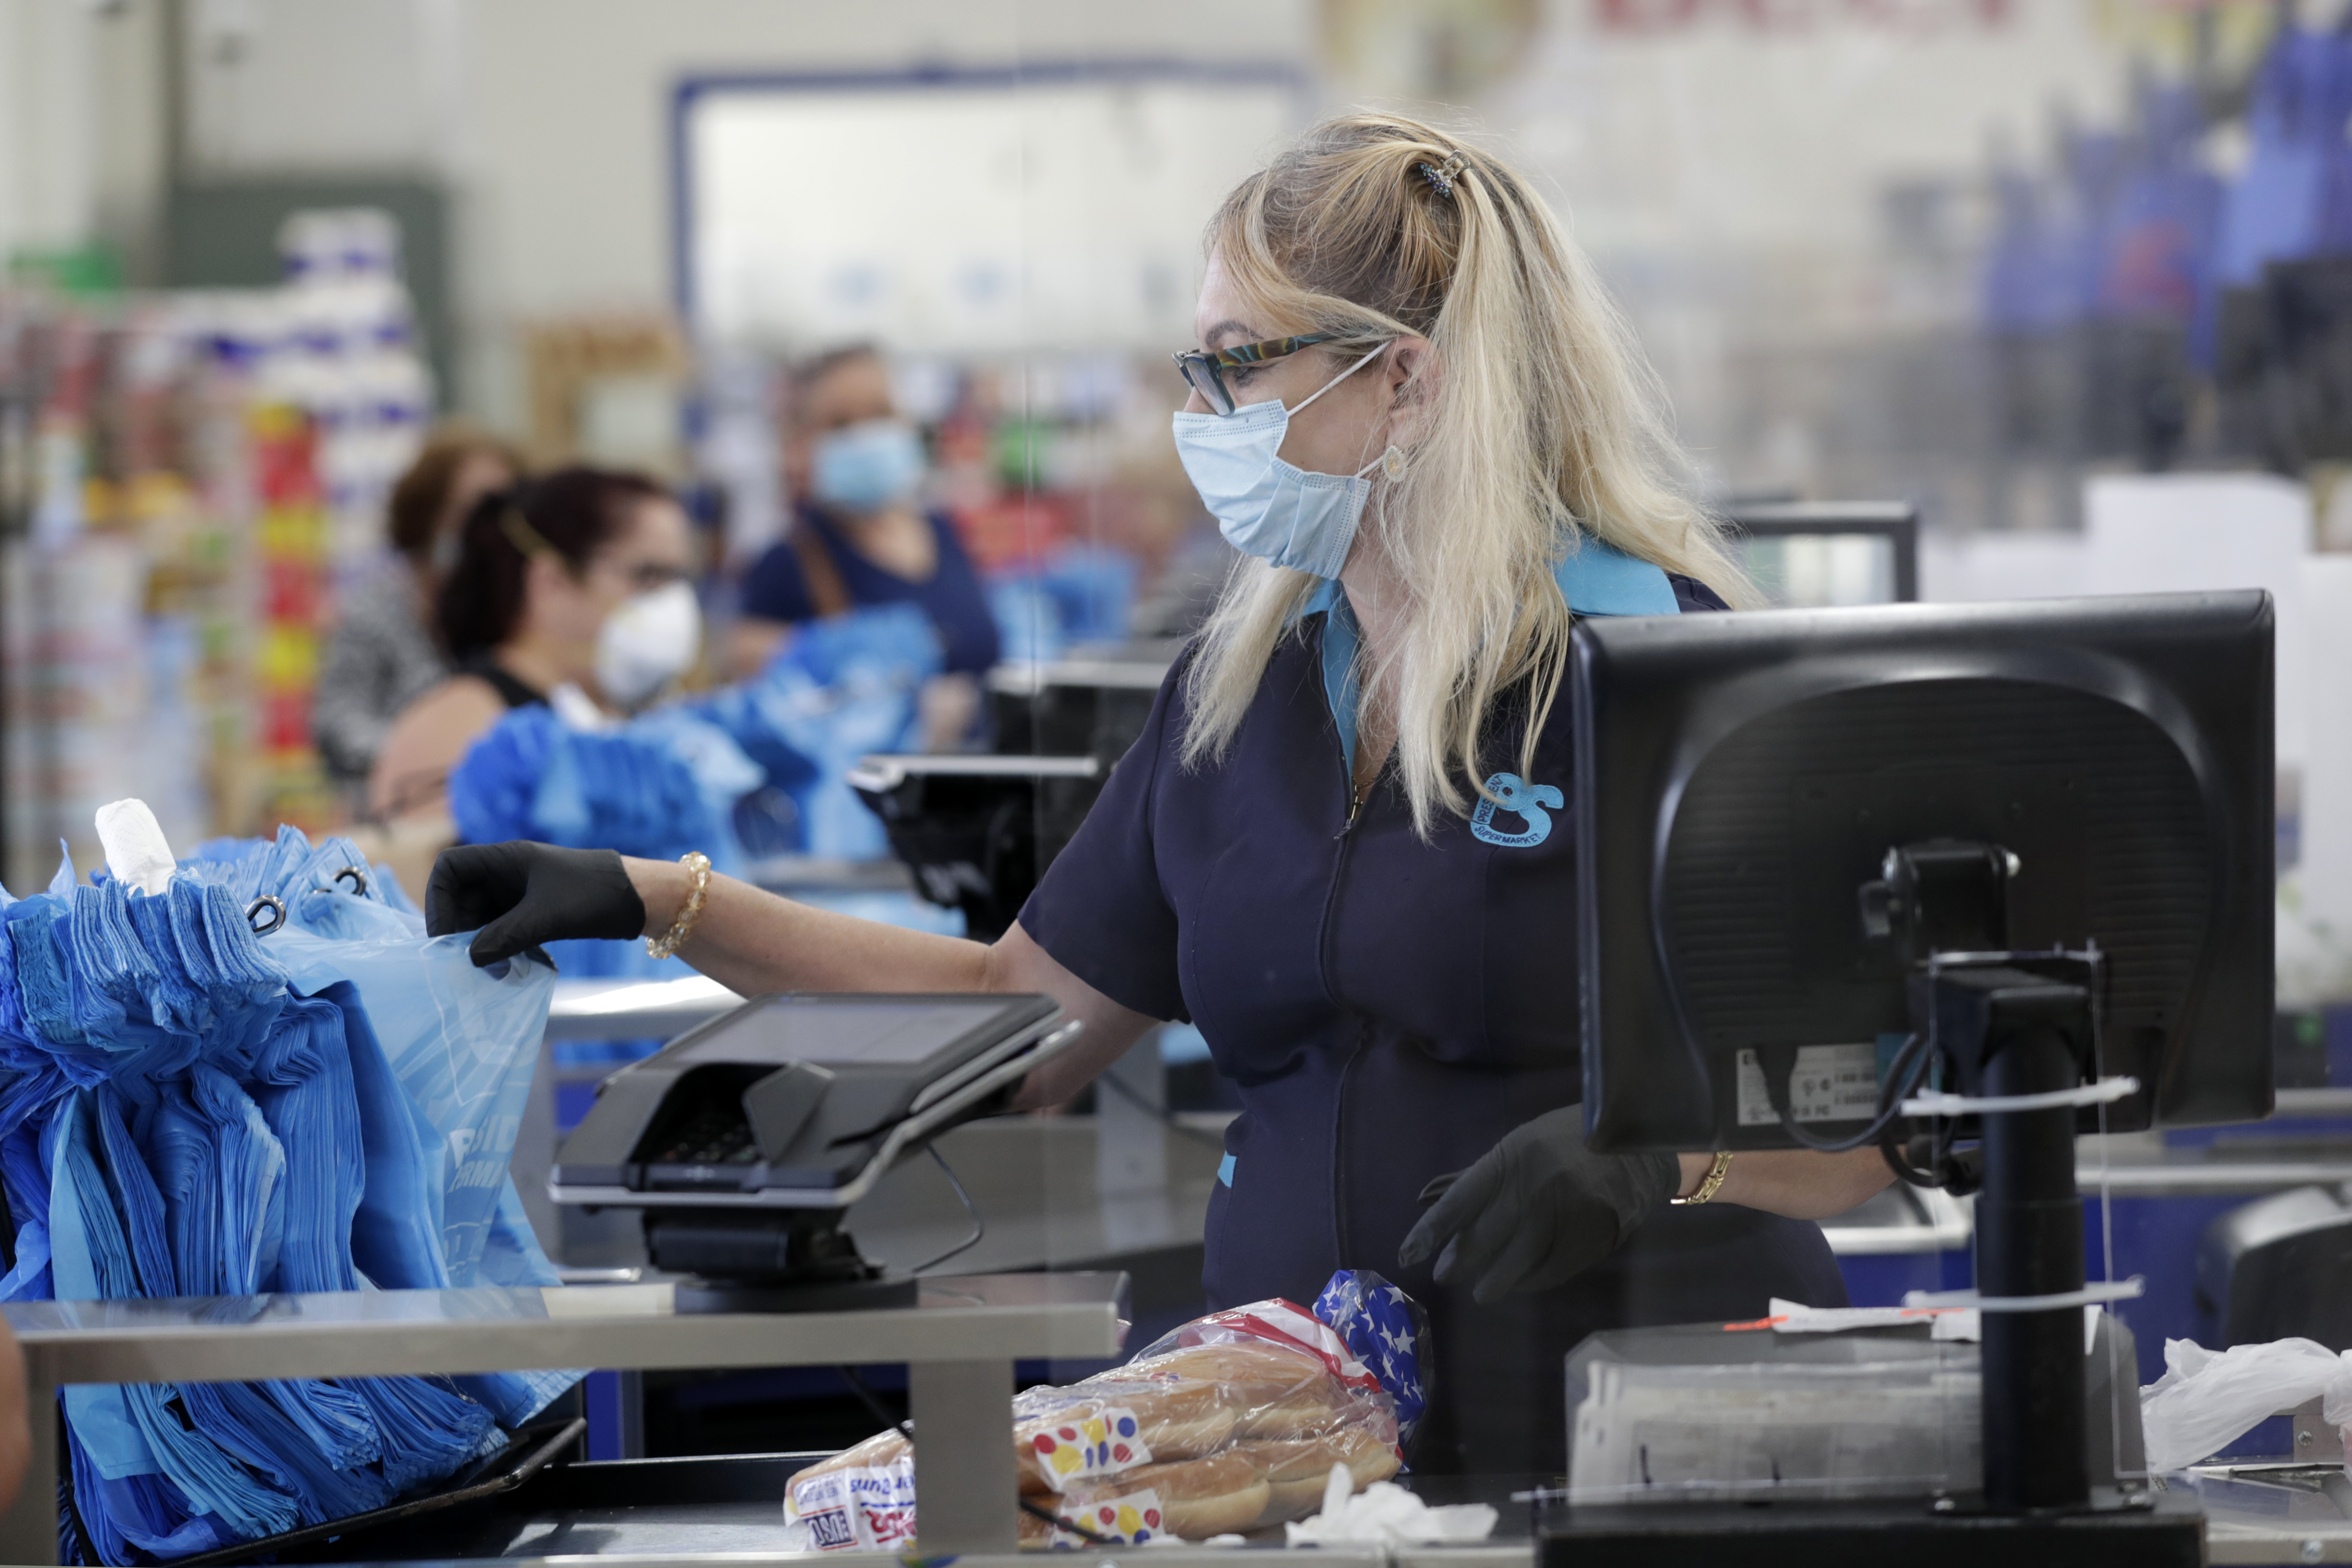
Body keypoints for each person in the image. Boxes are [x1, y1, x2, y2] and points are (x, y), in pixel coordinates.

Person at [422, 115, 1891, 1475]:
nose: (1204, 410)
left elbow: (1871, 1120)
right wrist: (661, 898)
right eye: (1198, 366)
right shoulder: (1242, 689)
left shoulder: (1655, 662)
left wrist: (1661, 1160)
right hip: (1291, 1458)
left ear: (1404, 376)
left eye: (1240, 363)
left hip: (1643, 1436)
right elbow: (1019, 1027)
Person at [369, 465, 701, 822]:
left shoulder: (625, 715)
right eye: (648, 575)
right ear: (551, 581)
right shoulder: (462, 722)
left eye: (678, 577)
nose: (672, 602)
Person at [729, 345, 998, 749]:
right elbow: (763, 718)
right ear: (801, 444)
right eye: (840, 425)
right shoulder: (788, 564)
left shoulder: (944, 532)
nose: (866, 436)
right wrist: (902, 720)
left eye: (881, 414)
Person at [314, 428, 522, 785]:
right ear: (427, 516)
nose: (485, 532)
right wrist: (433, 756)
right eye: (466, 512)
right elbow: (338, 724)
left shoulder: (516, 613)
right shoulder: (377, 612)